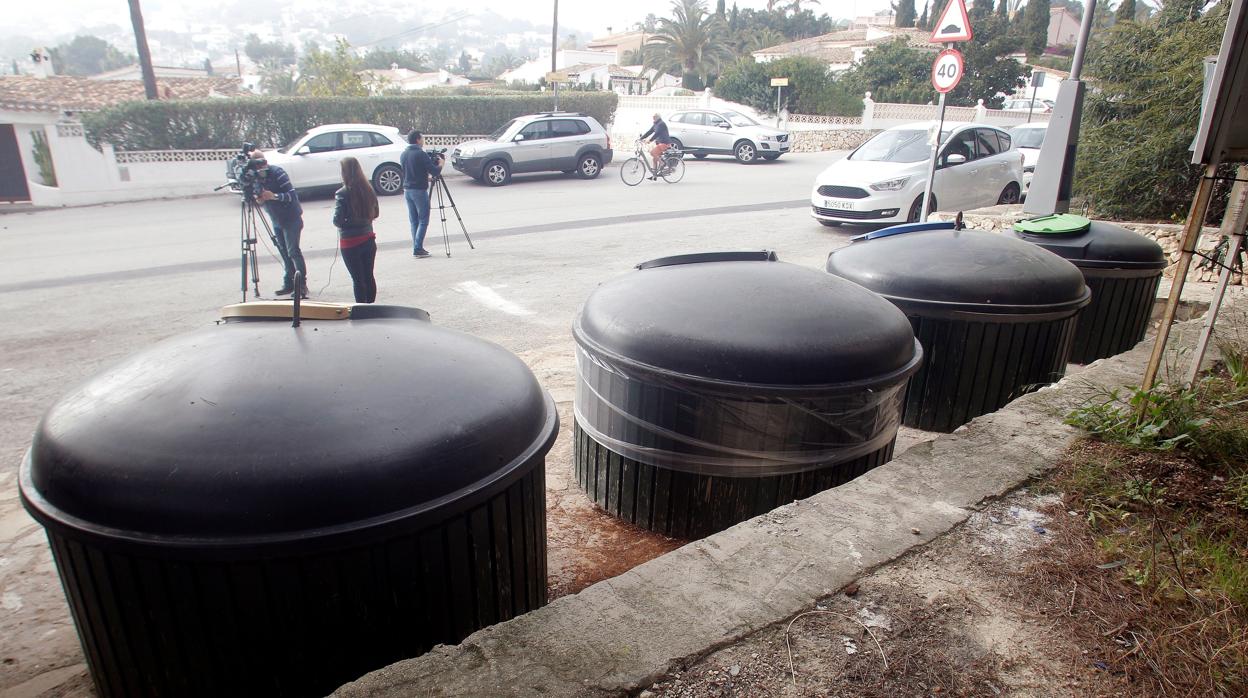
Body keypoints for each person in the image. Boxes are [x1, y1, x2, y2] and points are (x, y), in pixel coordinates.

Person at [250, 150, 308, 298]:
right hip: (276, 220)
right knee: (284, 252)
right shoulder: (255, 178)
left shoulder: (278, 173)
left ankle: (301, 285)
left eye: (262, 165)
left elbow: (291, 195)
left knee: (293, 251)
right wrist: (260, 199)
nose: (260, 170)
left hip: (291, 218)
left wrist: (274, 196)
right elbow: (258, 196)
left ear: (265, 163)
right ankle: (289, 282)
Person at [333, 156, 380, 303]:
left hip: (350, 242)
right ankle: (371, 307)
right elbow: (376, 213)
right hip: (368, 238)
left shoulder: (342, 193)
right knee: (369, 276)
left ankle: (362, 312)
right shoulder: (369, 189)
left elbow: (337, 220)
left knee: (358, 280)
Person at [400, 130, 443, 258]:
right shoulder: (420, 154)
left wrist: (426, 178)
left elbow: (411, 172)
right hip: (419, 191)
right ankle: (418, 248)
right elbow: (434, 171)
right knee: (423, 220)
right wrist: (441, 164)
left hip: (407, 190)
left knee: (414, 221)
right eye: (422, 138)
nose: (423, 141)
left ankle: (416, 246)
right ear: (418, 139)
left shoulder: (404, 154)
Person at [640, 113, 672, 179]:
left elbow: (657, 133)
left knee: (652, 153)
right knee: (654, 159)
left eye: (654, 117)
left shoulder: (661, 124)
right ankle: (654, 176)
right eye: (653, 117)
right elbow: (649, 132)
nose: (653, 118)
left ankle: (662, 163)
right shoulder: (656, 124)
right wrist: (641, 138)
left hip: (665, 143)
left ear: (657, 117)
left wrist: (650, 140)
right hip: (660, 144)